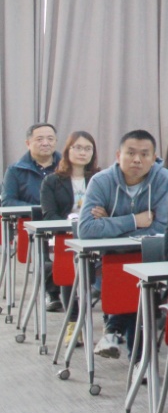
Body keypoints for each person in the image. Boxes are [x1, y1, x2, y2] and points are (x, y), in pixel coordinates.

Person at [79, 129, 168, 358]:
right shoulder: (101, 181)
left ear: (154, 158)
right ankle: (138, 358)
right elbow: (86, 229)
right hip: (109, 257)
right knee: (138, 284)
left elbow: (162, 228)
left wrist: (110, 223)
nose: (137, 159)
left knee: (143, 282)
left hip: (147, 256)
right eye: (130, 153)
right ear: (118, 155)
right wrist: (134, 220)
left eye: (144, 154)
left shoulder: (162, 179)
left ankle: (114, 331)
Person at [40, 131, 99, 312]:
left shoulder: (100, 179)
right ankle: (72, 318)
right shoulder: (52, 181)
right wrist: (70, 225)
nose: (83, 152)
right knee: (69, 264)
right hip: (65, 235)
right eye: (78, 147)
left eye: (88, 149)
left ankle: (109, 318)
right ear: (67, 151)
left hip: (94, 233)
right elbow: (49, 215)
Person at [3, 122, 60, 206]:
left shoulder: (67, 167)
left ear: (56, 142)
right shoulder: (15, 170)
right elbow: (7, 202)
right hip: (30, 214)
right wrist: (40, 209)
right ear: (28, 144)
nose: (45, 143)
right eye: (39, 139)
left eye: (50, 139)